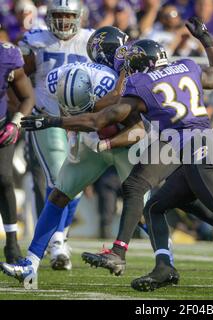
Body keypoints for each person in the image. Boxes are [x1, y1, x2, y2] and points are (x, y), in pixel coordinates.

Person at [22, 18, 213, 295]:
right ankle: (162, 267)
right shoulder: (186, 66)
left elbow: (100, 120)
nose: (129, 69)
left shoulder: (142, 83)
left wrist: (53, 121)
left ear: (143, 64)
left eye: (132, 64)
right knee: (153, 205)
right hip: (190, 143)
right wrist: (207, 41)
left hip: (192, 146)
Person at [0, 27, 213, 285]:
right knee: (60, 193)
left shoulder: (130, 74)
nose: (120, 56)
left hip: (129, 142)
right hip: (96, 141)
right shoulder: (94, 72)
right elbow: (88, 113)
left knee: (153, 204)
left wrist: (103, 140)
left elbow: (137, 128)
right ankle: (31, 262)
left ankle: (167, 263)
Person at [18, 0, 94, 270]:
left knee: (76, 181)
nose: (63, 22)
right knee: (57, 176)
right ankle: (58, 242)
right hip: (46, 118)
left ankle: (59, 237)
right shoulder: (35, 40)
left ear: (79, 17)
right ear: (49, 16)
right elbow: (19, 75)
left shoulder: (91, 40)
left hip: (80, 120)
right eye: (58, 16)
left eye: (68, 16)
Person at [0, 41, 35, 263]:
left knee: (3, 178)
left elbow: (28, 97)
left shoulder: (7, 56)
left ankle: (11, 242)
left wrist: (15, 122)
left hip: (1, 125)